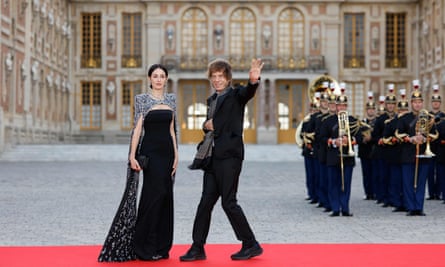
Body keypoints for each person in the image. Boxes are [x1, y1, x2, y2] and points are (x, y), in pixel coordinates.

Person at [180, 58, 263, 261]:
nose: (217, 80)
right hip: (212, 158)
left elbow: (247, 93)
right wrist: (207, 125)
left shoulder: (235, 95)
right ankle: (198, 247)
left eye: (221, 76)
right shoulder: (212, 100)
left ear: (228, 79)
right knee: (205, 203)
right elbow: (211, 125)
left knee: (229, 202)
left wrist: (253, 81)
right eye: (214, 76)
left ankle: (250, 243)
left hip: (230, 157)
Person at [98, 64, 178, 262]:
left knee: (166, 197)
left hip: (167, 153)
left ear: (166, 79)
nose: (158, 79)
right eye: (155, 76)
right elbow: (137, 129)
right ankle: (144, 246)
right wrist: (132, 156)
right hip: (150, 154)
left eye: (162, 76)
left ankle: (161, 246)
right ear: (149, 79)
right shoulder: (142, 100)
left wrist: (176, 155)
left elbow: (171, 130)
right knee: (154, 195)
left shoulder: (172, 99)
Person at [395, 80, 438, 216]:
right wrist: (411, 138)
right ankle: (411, 206)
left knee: (420, 182)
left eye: (420, 102)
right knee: (408, 183)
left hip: (423, 154)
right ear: (411, 103)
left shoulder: (428, 117)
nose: (417, 104)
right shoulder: (405, 118)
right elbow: (398, 133)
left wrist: (425, 138)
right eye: (415, 102)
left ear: (422, 104)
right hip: (408, 154)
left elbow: (435, 134)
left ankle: (419, 207)